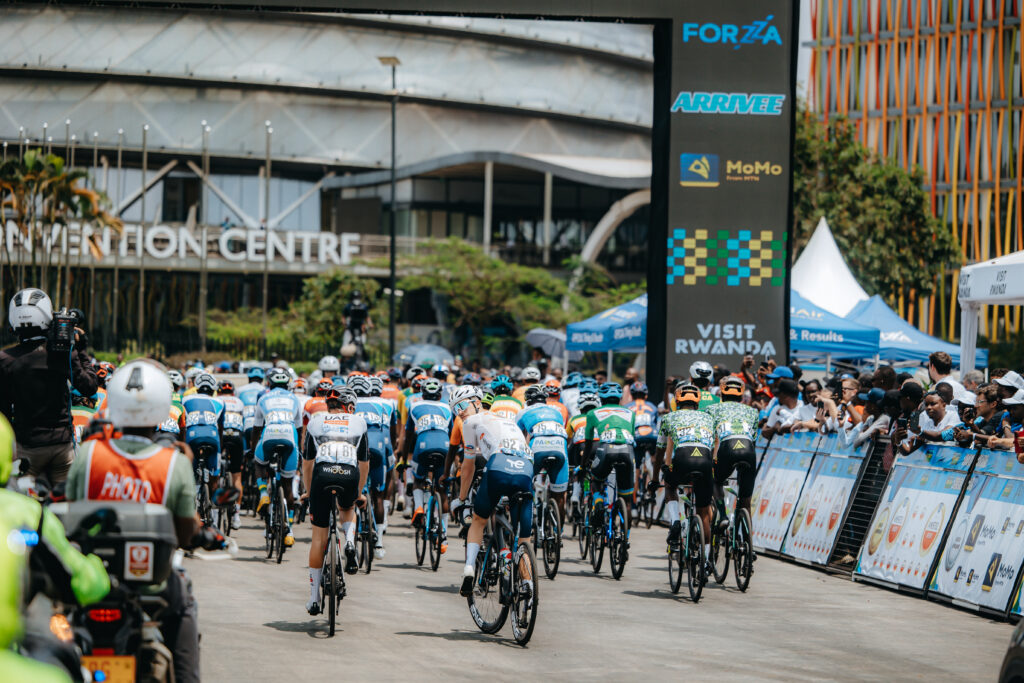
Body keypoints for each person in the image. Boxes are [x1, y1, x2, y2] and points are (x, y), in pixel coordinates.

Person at [66, 359, 216, 683]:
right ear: (162, 407)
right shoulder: (174, 464)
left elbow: (71, 515)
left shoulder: (88, 455)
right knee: (185, 604)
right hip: (152, 584)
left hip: (91, 581)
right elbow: (185, 534)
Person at [0, 288, 98, 485]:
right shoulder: (61, 354)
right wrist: (80, 350)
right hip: (62, 447)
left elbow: (3, 410)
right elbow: (89, 386)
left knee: (23, 500)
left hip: (26, 449)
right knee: (66, 499)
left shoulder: (5, 360)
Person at [448, 388, 533, 598]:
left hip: (499, 465)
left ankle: (469, 568)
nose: (459, 412)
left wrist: (461, 499)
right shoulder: (508, 421)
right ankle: (528, 584)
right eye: (455, 410)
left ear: (477, 402)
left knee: (478, 519)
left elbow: (468, 466)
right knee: (524, 537)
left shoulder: (471, 422)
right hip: (525, 468)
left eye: (462, 405)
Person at [302, 387, 369, 613]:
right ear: (348, 406)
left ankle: (314, 599)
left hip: (322, 475)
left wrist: (308, 491)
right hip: (349, 474)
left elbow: (308, 463)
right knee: (348, 507)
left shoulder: (315, 422)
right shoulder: (359, 422)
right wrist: (359, 492)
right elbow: (364, 463)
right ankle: (349, 542)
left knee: (318, 538)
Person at [652, 383, 715, 564]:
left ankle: (675, 522)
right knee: (703, 513)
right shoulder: (708, 418)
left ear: (677, 402)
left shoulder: (668, 418)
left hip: (682, 458)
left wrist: (656, 478)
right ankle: (706, 560)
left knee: (670, 485)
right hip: (704, 461)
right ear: (697, 402)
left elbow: (660, 451)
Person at [250, 367, 304, 547]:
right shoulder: (294, 398)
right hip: (289, 437)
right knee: (288, 486)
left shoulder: (263, 398)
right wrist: (298, 450)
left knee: (259, 463)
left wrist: (253, 449)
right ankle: (289, 531)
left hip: (269, 434)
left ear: (269, 384)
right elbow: (299, 429)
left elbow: (257, 428)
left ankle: (263, 493)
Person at [402, 378, 454, 552]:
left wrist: (404, 459)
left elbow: (408, 437)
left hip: (423, 445)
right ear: (440, 395)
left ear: (422, 394)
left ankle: (418, 507)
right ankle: (443, 535)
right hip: (444, 446)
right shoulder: (447, 407)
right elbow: (452, 435)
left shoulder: (414, 406)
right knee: (442, 490)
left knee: (418, 479)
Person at [351, 375, 397, 557]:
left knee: (352, 494)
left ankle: (350, 537)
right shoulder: (385, 404)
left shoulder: (350, 404)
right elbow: (389, 433)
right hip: (380, 448)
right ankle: (379, 543)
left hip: (357, 449)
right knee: (378, 496)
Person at [705, 377, 758, 527]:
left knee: (716, 481)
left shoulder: (711, 409)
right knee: (746, 500)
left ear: (721, 394)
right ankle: (747, 537)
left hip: (727, 446)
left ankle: (723, 515)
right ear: (741, 395)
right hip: (748, 450)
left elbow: (710, 439)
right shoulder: (753, 411)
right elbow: (753, 439)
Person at [583, 382, 636, 528]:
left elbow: (588, 444)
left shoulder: (592, 413)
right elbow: (631, 437)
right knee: (627, 499)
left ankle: (599, 503)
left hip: (606, 449)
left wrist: (583, 465)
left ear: (601, 398)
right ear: (620, 398)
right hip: (627, 450)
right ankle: (625, 538)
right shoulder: (630, 413)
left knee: (596, 480)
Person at [517, 384, 569, 523]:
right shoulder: (557, 412)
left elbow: (517, 437)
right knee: (559, 495)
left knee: (524, 486)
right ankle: (558, 531)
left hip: (538, 447)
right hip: (560, 448)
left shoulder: (523, 412)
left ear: (528, 400)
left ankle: (530, 514)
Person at [182, 372, 225, 522]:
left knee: (190, 473)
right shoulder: (220, 402)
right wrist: (220, 447)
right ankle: (213, 515)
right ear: (213, 389)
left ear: (196, 387)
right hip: (213, 437)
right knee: (214, 476)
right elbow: (221, 428)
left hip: (192, 436)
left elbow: (182, 425)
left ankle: (192, 504)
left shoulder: (185, 399)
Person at [624, 381, 659, 508]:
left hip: (637, 436)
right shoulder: (652, 406)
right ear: (646, 395)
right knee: (654, 457)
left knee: (636, 466)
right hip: (652, 435)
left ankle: (634, 503)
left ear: (632, 395)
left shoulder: (627, 407)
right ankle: (653, 477)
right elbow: (656, 422)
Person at [217, 380, 246, 529]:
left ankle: (215, 510)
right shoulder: (239, 402)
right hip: (236, 436)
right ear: (233, 392)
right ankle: (236, 516)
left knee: (215, 472)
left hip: (222, 435)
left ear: (219, 392)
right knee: (237, 477)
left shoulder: (217, 400)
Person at [567, 392, 600, 516]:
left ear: (580, 408)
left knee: (578, 468)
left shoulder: (574, 419)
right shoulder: (600, 417)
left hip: (580, 446)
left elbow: (568, 438)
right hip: (598, 445)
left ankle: (575, 494)